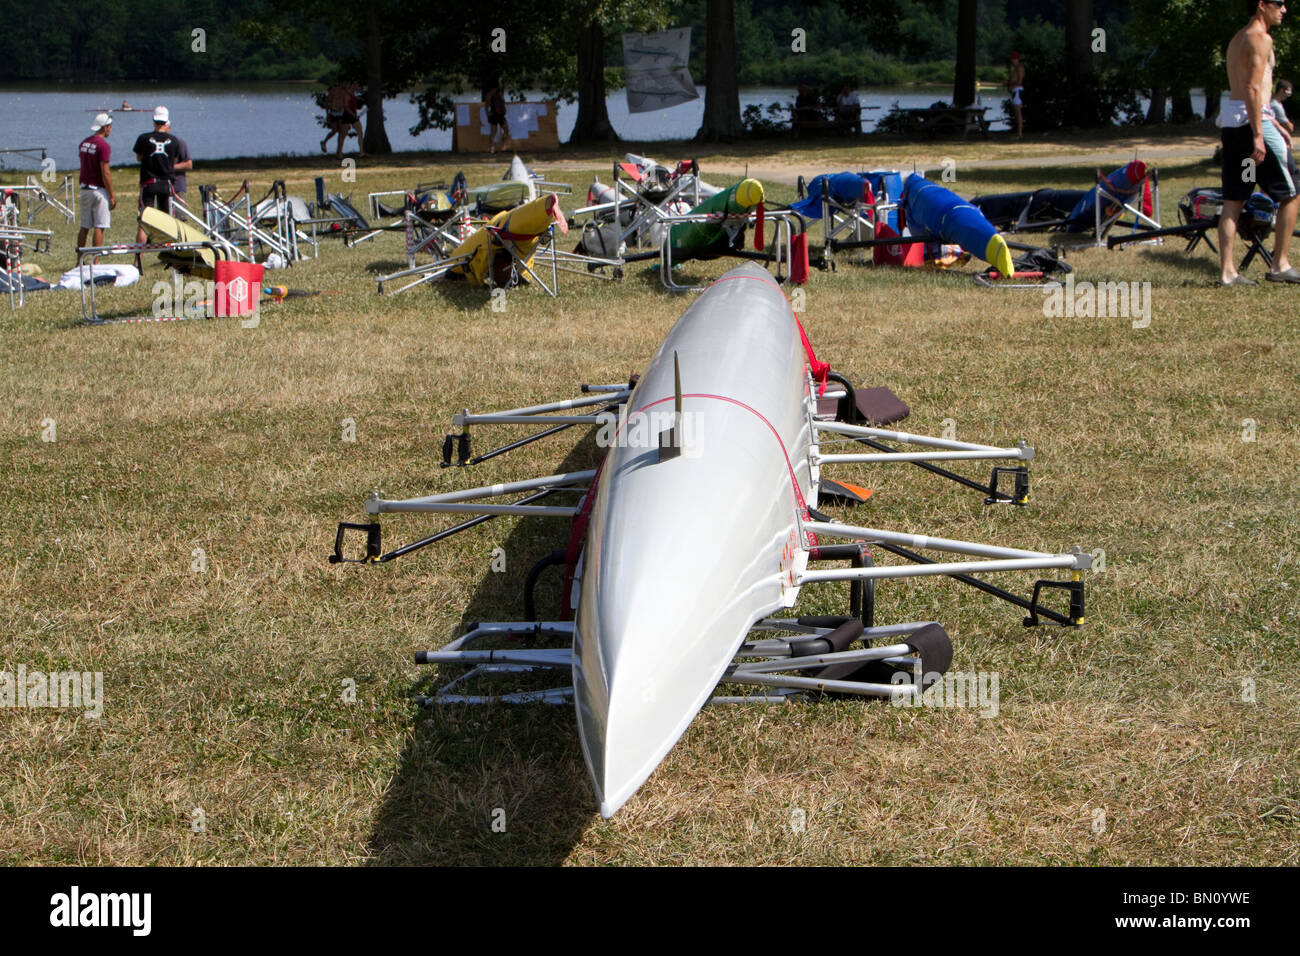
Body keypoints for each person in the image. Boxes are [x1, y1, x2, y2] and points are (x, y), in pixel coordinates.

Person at [1218, 0, 1299, 285]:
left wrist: (1274, 124)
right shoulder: (1260, 38)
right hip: (1253, 122)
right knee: (1292, 192)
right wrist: (1259, 134)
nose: (1284, 9)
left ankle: (1228, 272)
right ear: (1262, 5)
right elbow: (1253, 88)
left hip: (1232, 121)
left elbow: (1246, 90)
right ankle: (1280, 264)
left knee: (1234, 198)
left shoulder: (1237, 38)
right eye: (1279, 3)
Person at [132, 106, 192, 269]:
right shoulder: (174, 140)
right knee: (168, 221)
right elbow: (172, 161)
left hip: (148, 183)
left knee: (144, 221)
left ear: (154, 121)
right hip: (166, 184)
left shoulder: (143, 138)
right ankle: (170, 255)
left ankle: (138, 260)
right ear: (166, 121)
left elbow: (139, 157)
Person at [76, 113, 116, 262]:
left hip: (85, 188)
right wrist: (111, 195)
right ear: (105, 127)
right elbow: (105, 172)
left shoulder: (84, 143)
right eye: (110, 127)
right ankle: (95, 262)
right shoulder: (103, 146)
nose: (110, 130)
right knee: (99, 226)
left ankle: (79, 261)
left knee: (84, 227)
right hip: (98, 190)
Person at [487, 80, 510, 154]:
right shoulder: (493, 95)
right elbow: (487, 106)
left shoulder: (494, 94)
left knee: (502, 131)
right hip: (496, 115)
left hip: (497, 115)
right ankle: (495, 147)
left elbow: (487, 107)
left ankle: (498, 147)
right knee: (497, 131)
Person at [1007, 52, 1026, 139]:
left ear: (1017, 59)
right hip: (1014, 91)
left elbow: (1019, 81)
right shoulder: (1014, 68)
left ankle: (1020, 134)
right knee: (1016, 112)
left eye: (1014, 59)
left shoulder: (1019, 68)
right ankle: (1018, 133)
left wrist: (1009, 83)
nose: (1012, 60)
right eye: (1012, 59)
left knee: (1018, 112)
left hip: (1017, 91)